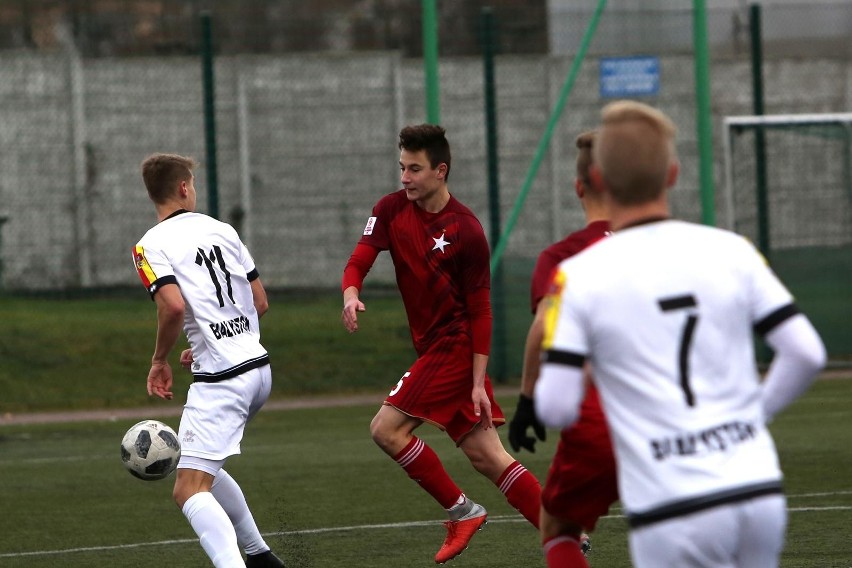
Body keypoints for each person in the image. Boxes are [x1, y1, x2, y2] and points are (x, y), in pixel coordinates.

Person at [535, 101, 827, 568]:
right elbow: (806, 354)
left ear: (600, 183)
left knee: (558, 527)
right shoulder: (732, 250)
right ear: (672, 174)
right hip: (756, 490)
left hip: (672, 506)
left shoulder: (578, 276)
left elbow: (555, 405)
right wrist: (752, 416)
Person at [341, 124, 542, 564]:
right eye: (401, 167)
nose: (405, 178)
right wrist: (351, 292)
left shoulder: (466, 230)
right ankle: (560, 529)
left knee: (385, 429)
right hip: (435, 350)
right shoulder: (390, 210)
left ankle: (463, 512)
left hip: (453, 349)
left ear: (441, 171)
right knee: (488, 456)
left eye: (414, 169)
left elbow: (481, 311)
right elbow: (360, 257)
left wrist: (476, 381)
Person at [132, 153, 285, 568]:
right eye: (193, 184)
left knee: (187, 489)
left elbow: (173, 308)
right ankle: (260, 557)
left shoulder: (147, 247)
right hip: (257, 369)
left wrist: (159, 359)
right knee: (201, 467)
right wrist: (209, 336)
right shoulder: (223, 230)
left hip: (223, 379)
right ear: (184, 188)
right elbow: (259, 302)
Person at [507, 130, 615, 566]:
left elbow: (541, 331)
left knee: (558, 526)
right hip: (681, 417)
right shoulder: (677, 246)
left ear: (578, 186)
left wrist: (528, 400)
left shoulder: (563, 257)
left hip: (601, 422)